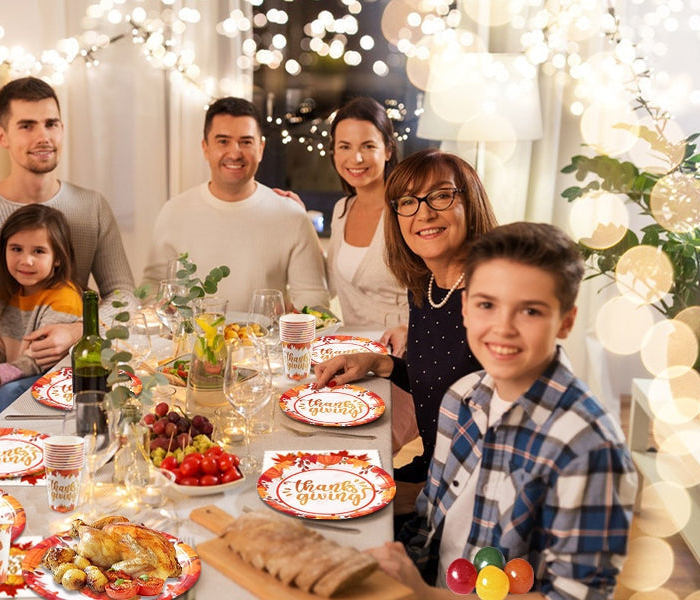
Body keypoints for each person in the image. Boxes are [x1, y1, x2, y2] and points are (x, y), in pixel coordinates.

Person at [366, 222, 637, 600]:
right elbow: (431, 520)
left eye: (530, 311)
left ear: (566, 321)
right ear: (465, 307)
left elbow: (576, 595)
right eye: (487, 305)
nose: (503, 327)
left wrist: (424, 596)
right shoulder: (461, 398)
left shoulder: (590, 449)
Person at [314, 148, 498, 487]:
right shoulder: (425, 290)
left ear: (471, 203)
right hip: (432, 468)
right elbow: (437, 383)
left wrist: (418, 496)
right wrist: (377, 363)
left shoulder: (495, 301)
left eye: (441, 196)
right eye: (408, 202)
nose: (424, 213)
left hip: (467, 489)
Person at [0, 76, 134, 364]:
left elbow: (125, 297)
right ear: (2, 136)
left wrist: (78, 331)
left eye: (51, 124)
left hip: (62, 378)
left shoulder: (93, 208)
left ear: (62, 129)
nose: (43, 137)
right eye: (27, 126)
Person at [141, 96, 329, 312]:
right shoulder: (174, 212)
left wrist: (295, 315)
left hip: (266, 334)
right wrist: (161, 307)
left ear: (261, 148)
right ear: (205, 147)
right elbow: (152, 285)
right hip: (193, 335)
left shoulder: (291, 215)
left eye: (246, 142)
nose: (234, 153)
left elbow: (313, 294)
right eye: (223, 141)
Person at [278, 97, 409, 331]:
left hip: (402, 348)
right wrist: (302, 219)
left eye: (368, 146)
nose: (356, 158)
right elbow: (332, 281)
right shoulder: (342, 210)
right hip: (352, 346)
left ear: (388, 150)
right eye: (345, 146)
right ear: (334, 152)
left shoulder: (407, 212)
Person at [0, 204, 83, 428]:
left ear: (57, 258)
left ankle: (5, 444)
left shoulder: (64, 298)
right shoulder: (2, 292)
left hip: (52, 381)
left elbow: (38, 360)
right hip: (15, 370)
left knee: (9, 393)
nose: (26, 260)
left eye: (38, 251)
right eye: (16, 249)